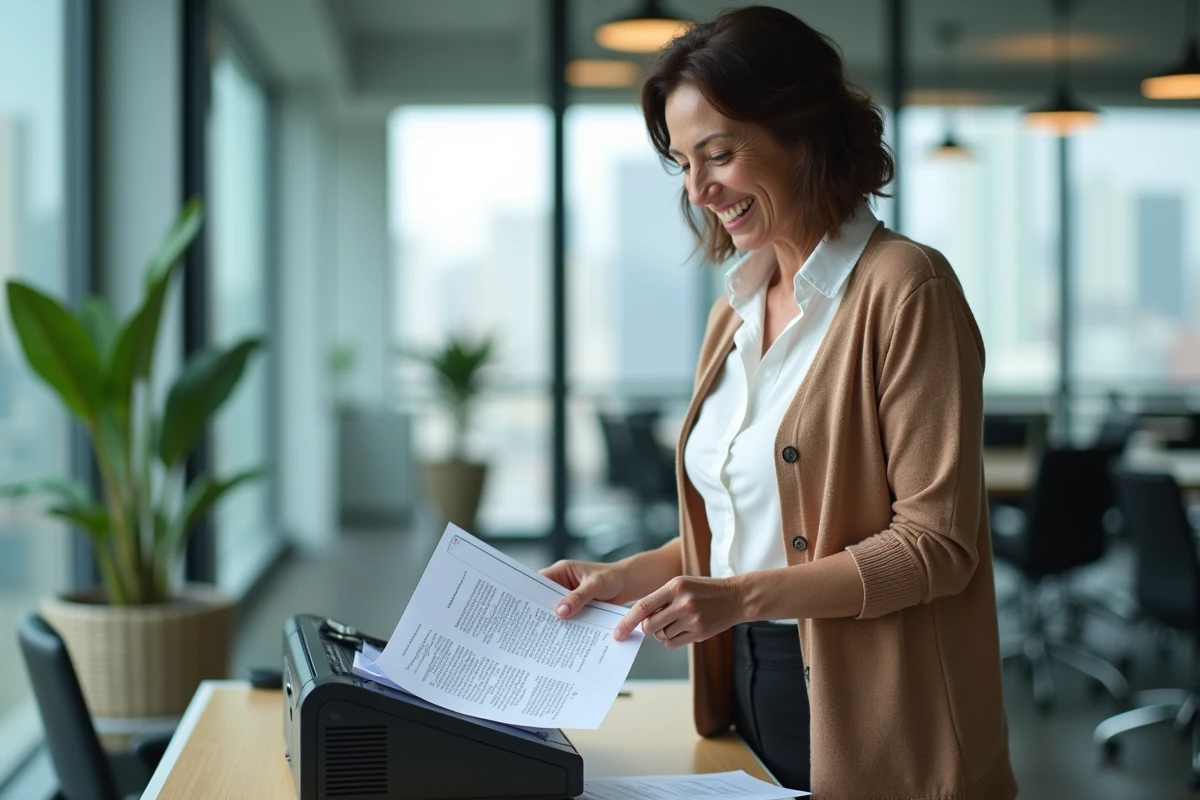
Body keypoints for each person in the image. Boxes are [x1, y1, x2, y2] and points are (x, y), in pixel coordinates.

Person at [541, 6, 1017, 799]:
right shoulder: (734, 305)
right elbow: (749, 528)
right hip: (749, 690)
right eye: (682, 164)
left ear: (802, 131)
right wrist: (629, 578)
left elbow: (937, 546)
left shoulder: (906, 289)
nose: (698, 189)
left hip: (881, 710)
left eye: (718, 154)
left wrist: (734, 598)